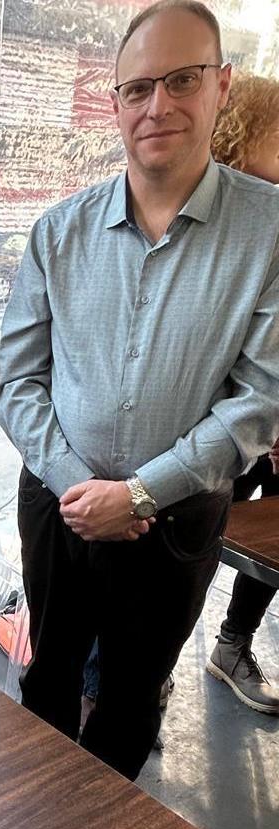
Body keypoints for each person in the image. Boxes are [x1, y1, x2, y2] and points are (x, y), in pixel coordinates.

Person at [0, 0, 279, 781]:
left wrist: (142, 495)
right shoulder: (59, 231)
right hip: (59, 505)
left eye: (182, 80)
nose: (159, 106)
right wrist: (77, 484)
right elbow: (17, 383)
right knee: (46, 676)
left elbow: (258, 402)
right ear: (113, 102)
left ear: (221, 87)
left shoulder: (270, 232)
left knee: (131, 697)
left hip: (176, 522)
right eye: (137, 88)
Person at [205, 74, 279, 715]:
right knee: (188, 534)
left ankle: (233, 641)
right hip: (208, 431)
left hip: (264, 424)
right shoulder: (214, 225)